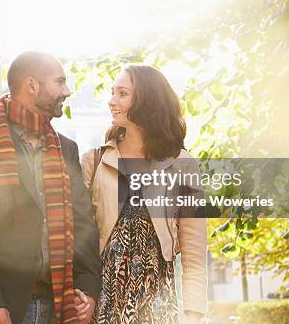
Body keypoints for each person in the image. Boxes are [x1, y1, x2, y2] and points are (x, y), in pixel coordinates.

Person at [0, 51, 101, 324]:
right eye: (60, 81)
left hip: (61, 307)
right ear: (32, 86)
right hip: (1, 310)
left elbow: (84, 225)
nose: (67, 90)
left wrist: (88, 291)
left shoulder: (66, 148)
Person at [80, 64, 207, 324]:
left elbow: (194, 254)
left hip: (158, 307)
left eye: (122, 94)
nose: (112, 101)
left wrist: (194, 315)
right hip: (101, 304)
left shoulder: (183, 165)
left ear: (147, 101)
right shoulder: (94, 161)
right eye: (112, 93)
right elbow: (78, 243)